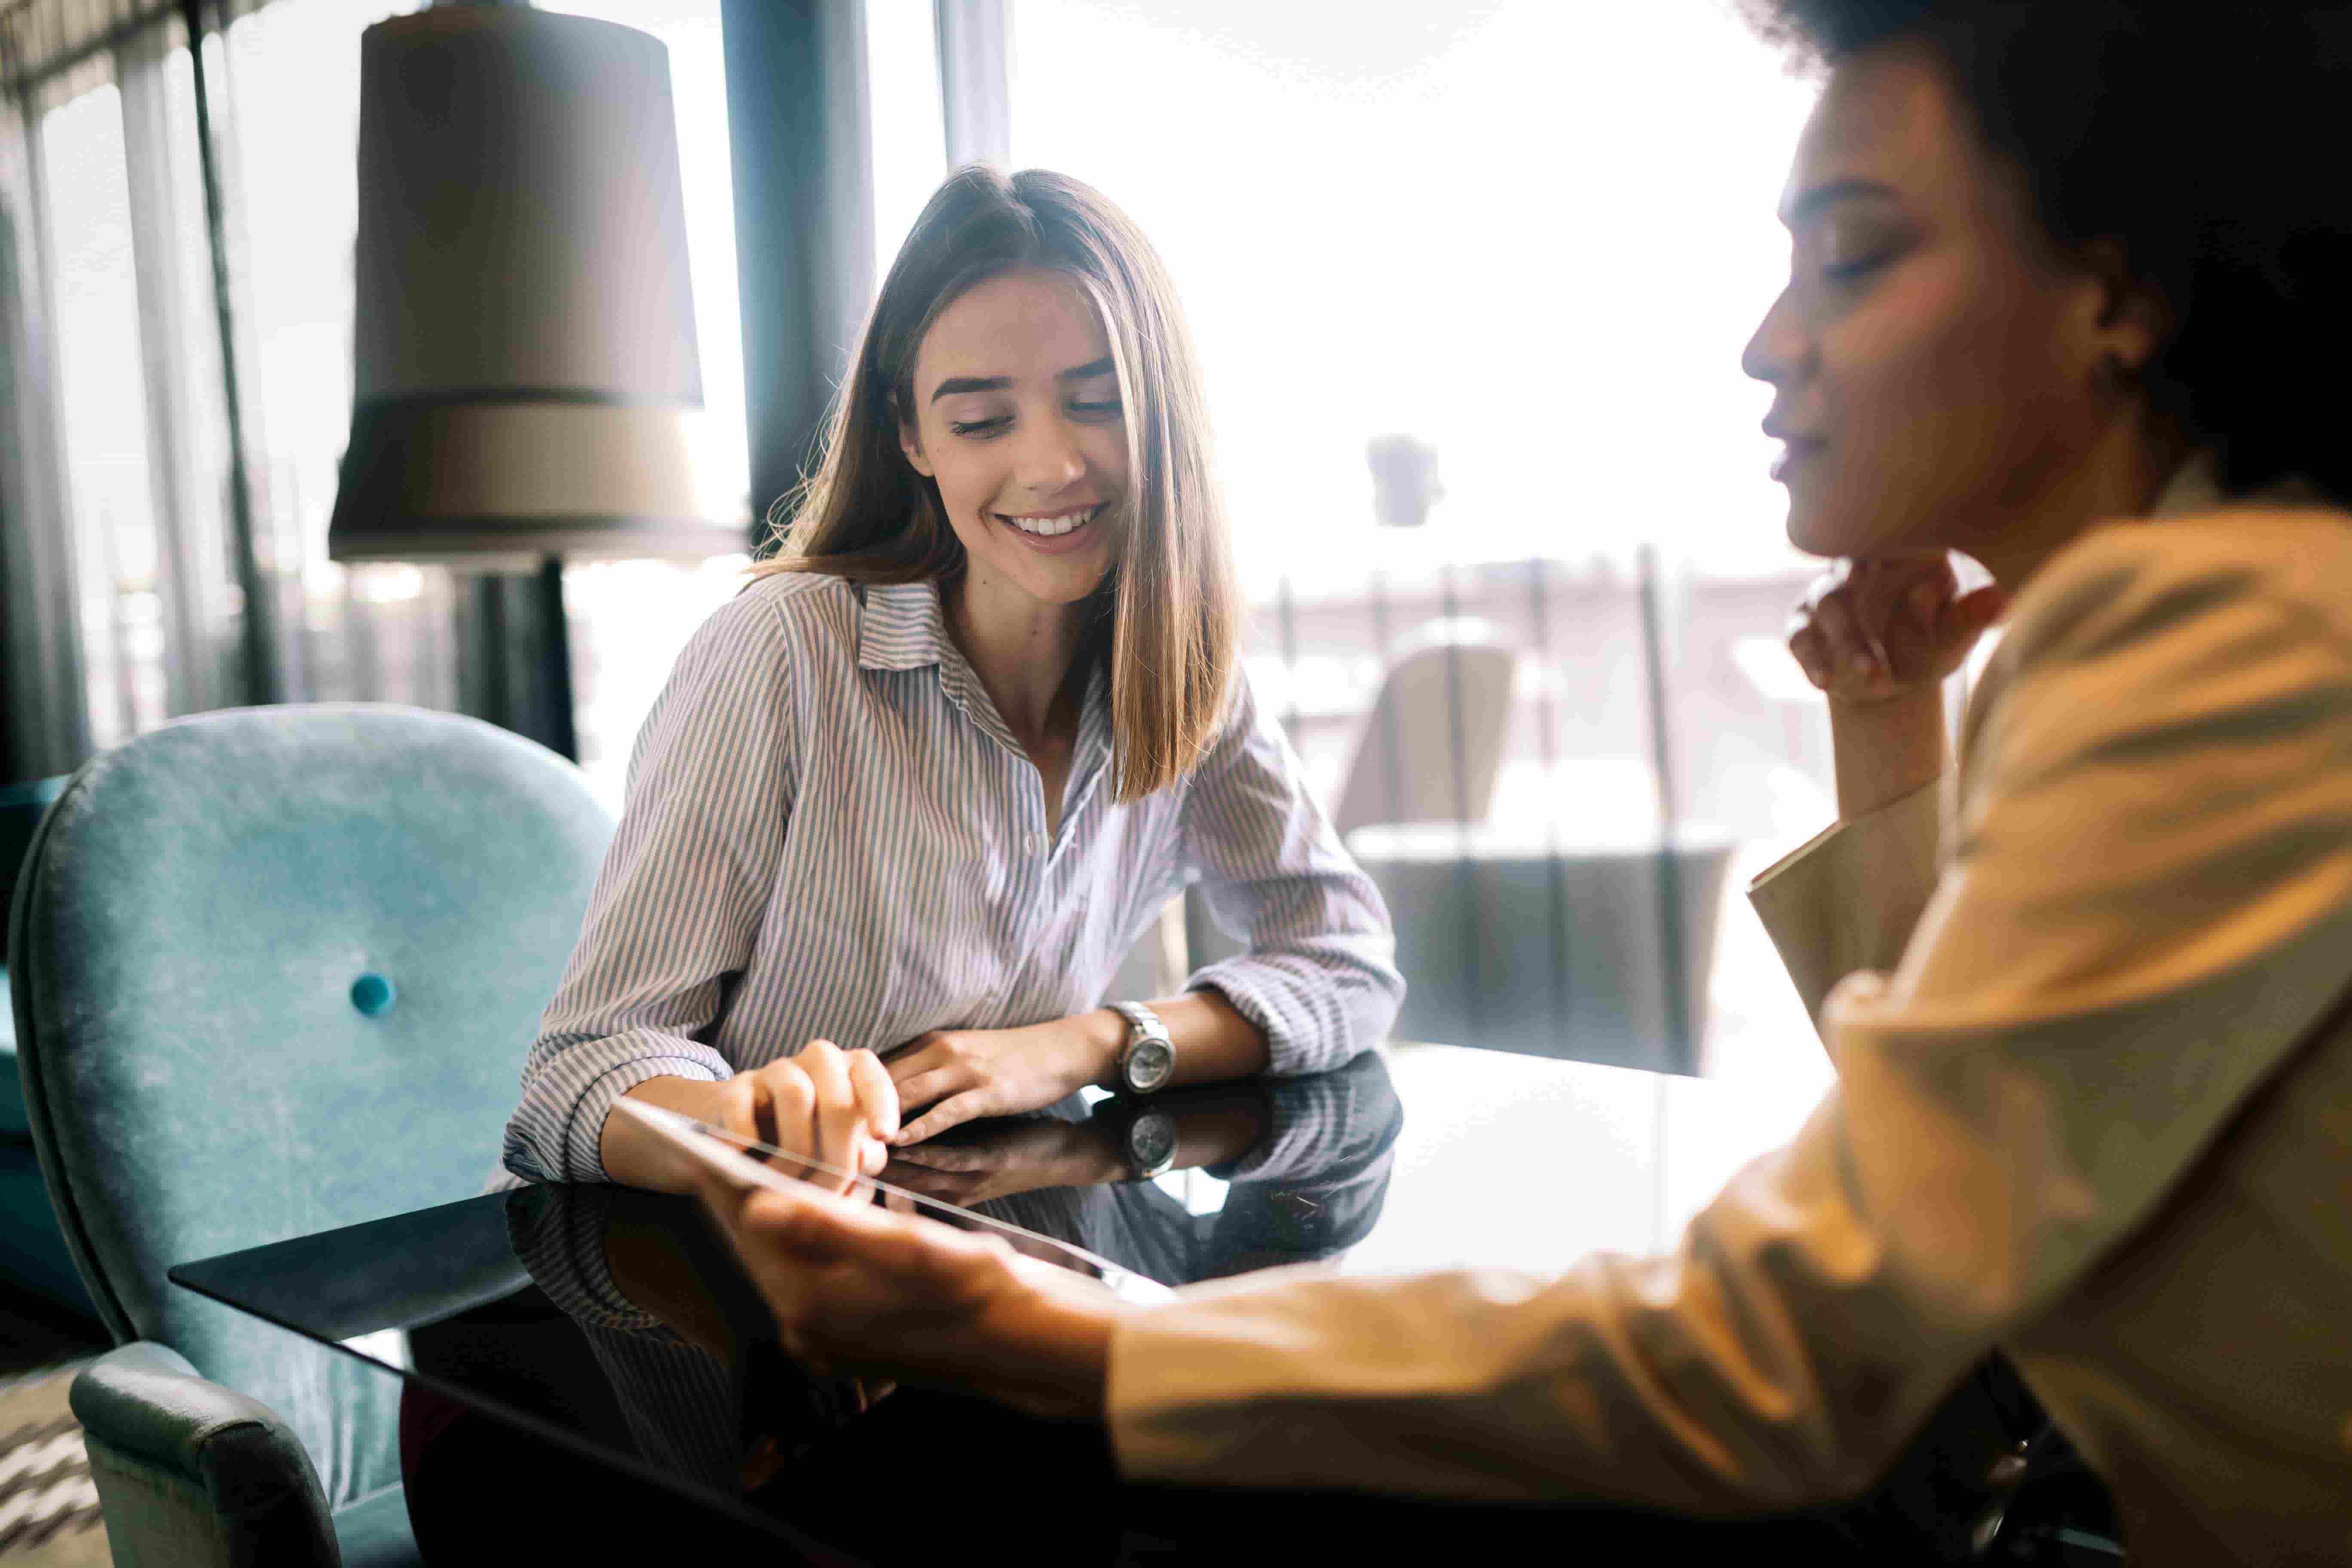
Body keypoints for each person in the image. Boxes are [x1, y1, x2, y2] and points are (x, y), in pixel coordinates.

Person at [684, 4, 2352, 1561]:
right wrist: (1892, 730)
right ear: (912, 433)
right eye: (981, 415)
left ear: (2118, 291)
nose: (1770, 343)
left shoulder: (2226, 636)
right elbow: (1957, 1170)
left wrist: (1051, 1331)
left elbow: (1782, 1354)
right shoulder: (2199, 616)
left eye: (1855, 255)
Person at [499, 166, 1403, 1193]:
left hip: (982, 1260)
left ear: (1165, 413)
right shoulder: (787, 650)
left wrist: (1089, 1045)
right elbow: (579, 1070)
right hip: (685, 1286)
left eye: (1098, 403)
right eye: (981, 422)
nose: (1053, 465)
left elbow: (1347, 960)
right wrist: (739, 1124)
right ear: (913, 435)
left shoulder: (1181, 668)